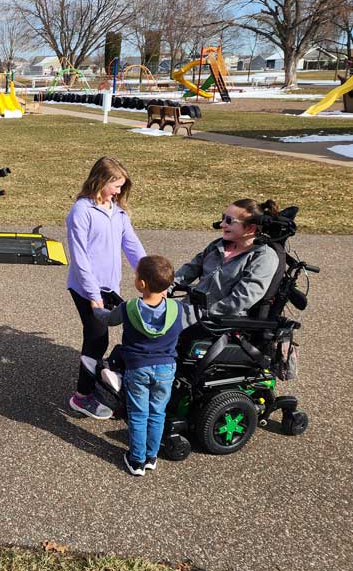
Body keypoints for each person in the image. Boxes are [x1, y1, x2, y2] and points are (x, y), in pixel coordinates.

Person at [66, 156, 146, 420]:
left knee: (128, 327)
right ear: (100, 181)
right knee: (96, 339)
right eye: (116, 185)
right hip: (86, 289)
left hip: (108, 286)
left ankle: (107, 380)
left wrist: (149, 275)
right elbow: (80, 258)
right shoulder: (82, 211)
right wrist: (93, 296)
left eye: (122, 186)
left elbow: (131, 244)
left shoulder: (117, 211)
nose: (119, 191)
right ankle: (82, 397)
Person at [95, 255, 181, 476]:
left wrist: (97, 308)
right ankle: (151, 456)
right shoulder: (177, 309)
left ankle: (136, 460)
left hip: (138, 368)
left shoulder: (130, 307)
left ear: (141, 284)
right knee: (157, 412)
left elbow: (109, 319)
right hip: (166, 368)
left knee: (138, 413)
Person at [174, 199, 281, 330]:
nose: (222, 224)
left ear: (251, 228)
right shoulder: (217, 246)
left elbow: (241, 299)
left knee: (155, 332)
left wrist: (204, 313)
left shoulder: (263, 257)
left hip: (218, 322)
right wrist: (163, 288)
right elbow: (189, 270)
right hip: (190, 311)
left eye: (229, 221)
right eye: (223, 218)